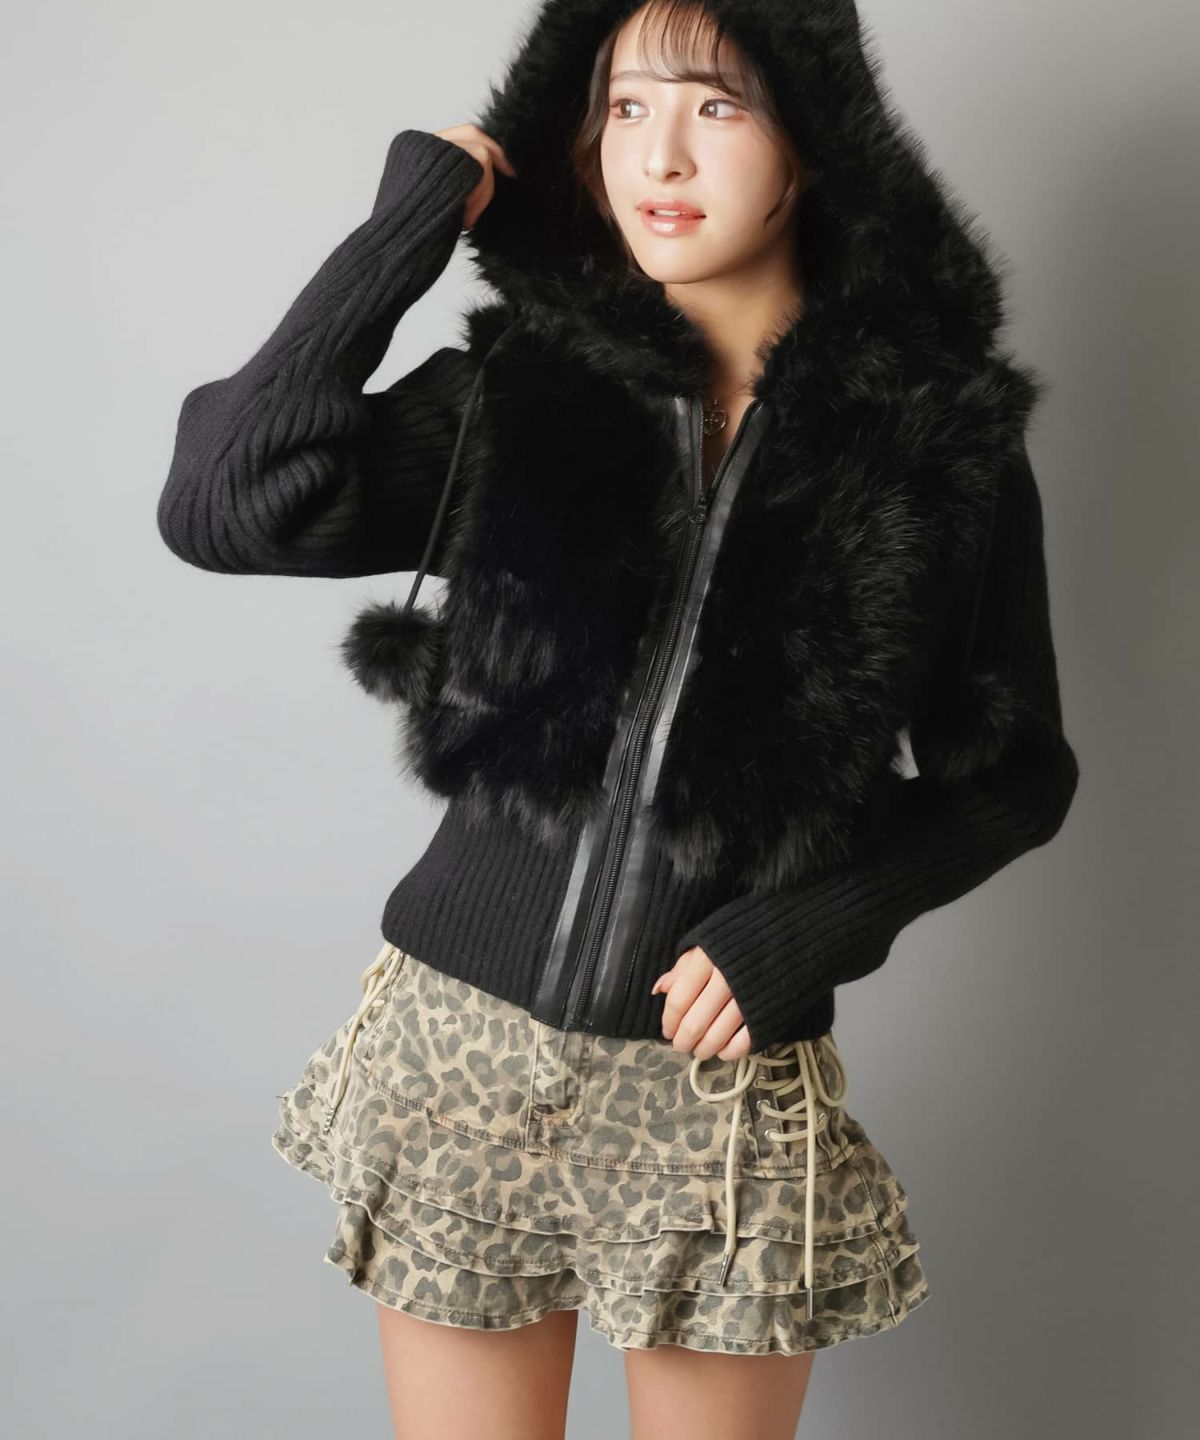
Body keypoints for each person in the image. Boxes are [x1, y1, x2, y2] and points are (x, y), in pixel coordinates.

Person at [157, 1, 1080, 1436]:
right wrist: (407, 226)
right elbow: (227, 505)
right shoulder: (522, 395)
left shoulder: (930, 441)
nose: (660, 154)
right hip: (459, 1062)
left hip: (712, 1101)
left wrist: (809, 928)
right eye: (626, 108)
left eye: (717, 105)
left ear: (813, 138)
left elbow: (1016, 776)